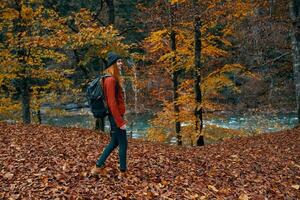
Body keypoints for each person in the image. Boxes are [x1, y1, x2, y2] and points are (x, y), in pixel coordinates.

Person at [91, 52, 128, 175]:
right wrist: (120, 122)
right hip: (115, 116)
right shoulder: (110, 79)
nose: (121, 63)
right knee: (123, 143)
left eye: (121, 61)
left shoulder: (110, 78)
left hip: (115, 116)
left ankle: (98, 167)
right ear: (112, 64)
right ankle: (123, 172)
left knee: (114, 142)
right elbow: (112, 103)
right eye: (118, 61)